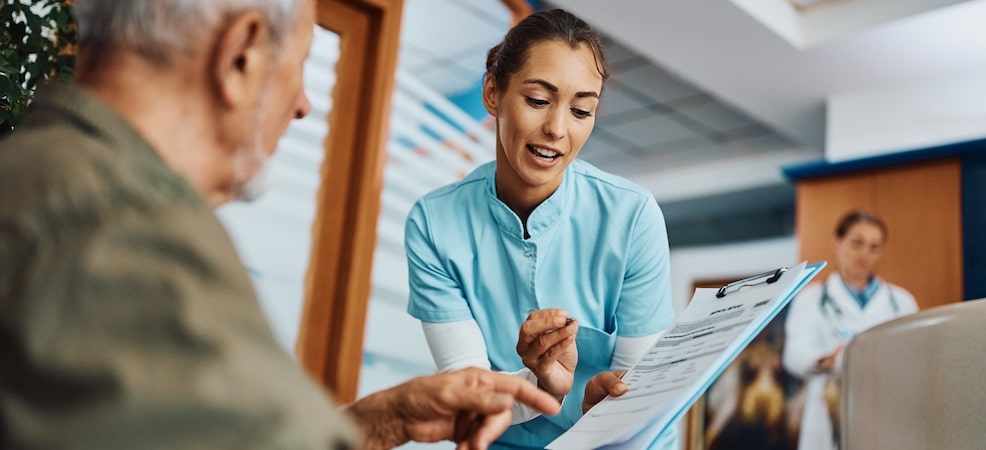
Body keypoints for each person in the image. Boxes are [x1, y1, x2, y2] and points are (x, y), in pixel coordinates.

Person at [0, 0, 564, 448]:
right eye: (299, 66)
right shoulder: (120, 224)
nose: (301, 105)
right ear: (241, 54)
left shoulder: (38, 176)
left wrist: (381, 420)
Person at [405, 9, 676, 449]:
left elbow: (634, 397)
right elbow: (468, 404)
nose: (557, 129)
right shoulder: (435, 223)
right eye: (537, 100)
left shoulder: (632, 217)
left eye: (581, 110)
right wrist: (545, 386)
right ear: (493, 93)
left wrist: (601, 407)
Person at [782, 210, 919, 450]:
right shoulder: (811, 298)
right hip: (828, 408)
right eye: (857, 243)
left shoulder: (902, 301)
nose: (864, 254)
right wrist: (823, 360)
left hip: (887, 408)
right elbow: (794, 354)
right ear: (838, 241)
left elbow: (915, 357)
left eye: (874, 247)